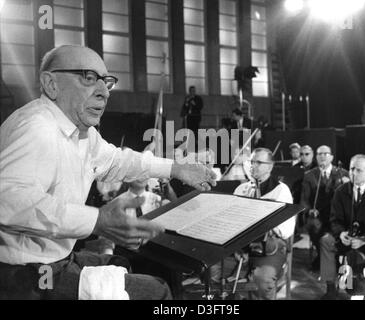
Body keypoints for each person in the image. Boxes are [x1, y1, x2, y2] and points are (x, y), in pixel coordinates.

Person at [0, 45, 216, 300]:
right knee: (156, 292)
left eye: (106, 81)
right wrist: (97, 221)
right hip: (25, 275)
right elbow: (8, 201)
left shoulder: (82, 132)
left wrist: (175, 168)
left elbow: (118, 160)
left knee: (121, 263)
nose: (103, 92)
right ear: (51, 84)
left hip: (53, 258)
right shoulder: (38, 128)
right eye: (88, 78)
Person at [212, 148, 296, 300]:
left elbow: (286, 230)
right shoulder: (241, 189)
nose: (253, 166)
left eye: (258, 162)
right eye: (251, 162)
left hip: (269, 248)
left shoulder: (281, 191)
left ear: (270, 166)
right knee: (214, 270)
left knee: (263, 279)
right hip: (240, 247)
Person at [319, 155, 365, 299]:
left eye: (358, 170)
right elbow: (334, 219)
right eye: (351, 169)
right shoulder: (340, 191)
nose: (353, 173)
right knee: (325, 240)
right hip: (347, 237)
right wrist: (341, 233)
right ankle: (331, 288)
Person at [300, 145, 349, 271]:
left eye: (325, 153)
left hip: (337, 215)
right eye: (319, 154)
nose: (322, 156)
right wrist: (310, 210)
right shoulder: (309, 175)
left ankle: (326, 259)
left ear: (332, 157)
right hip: (318, 215)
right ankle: (326, 257)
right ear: (316, 157)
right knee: (313, 224)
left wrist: (347, 184)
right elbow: (304, 199)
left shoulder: (342, 173)